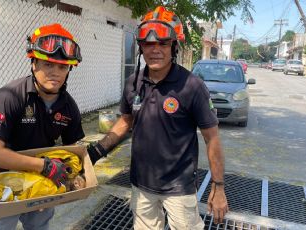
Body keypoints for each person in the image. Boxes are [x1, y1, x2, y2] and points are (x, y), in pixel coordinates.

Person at [87, 6, 228, 230]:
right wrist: (96, 151)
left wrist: (218, 187)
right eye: (149, 44)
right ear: (141, 47)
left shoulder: (192, 86)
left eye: (163, 43)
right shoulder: (133, 82)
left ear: (174, 46)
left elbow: (212, 138)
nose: (155, 50)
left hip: (179, 188)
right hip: (141, 185)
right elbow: (125, 121)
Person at [0, 23, 84, 230]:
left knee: (39, 225)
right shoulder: (9, 96)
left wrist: (75, 177)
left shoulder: (69, 106)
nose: (55, 72)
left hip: (43, 180)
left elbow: (74, 148)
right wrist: (44, 166)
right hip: (6, 180)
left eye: (62, 67)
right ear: (34, 63)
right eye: (48, 64)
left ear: (69, 70)